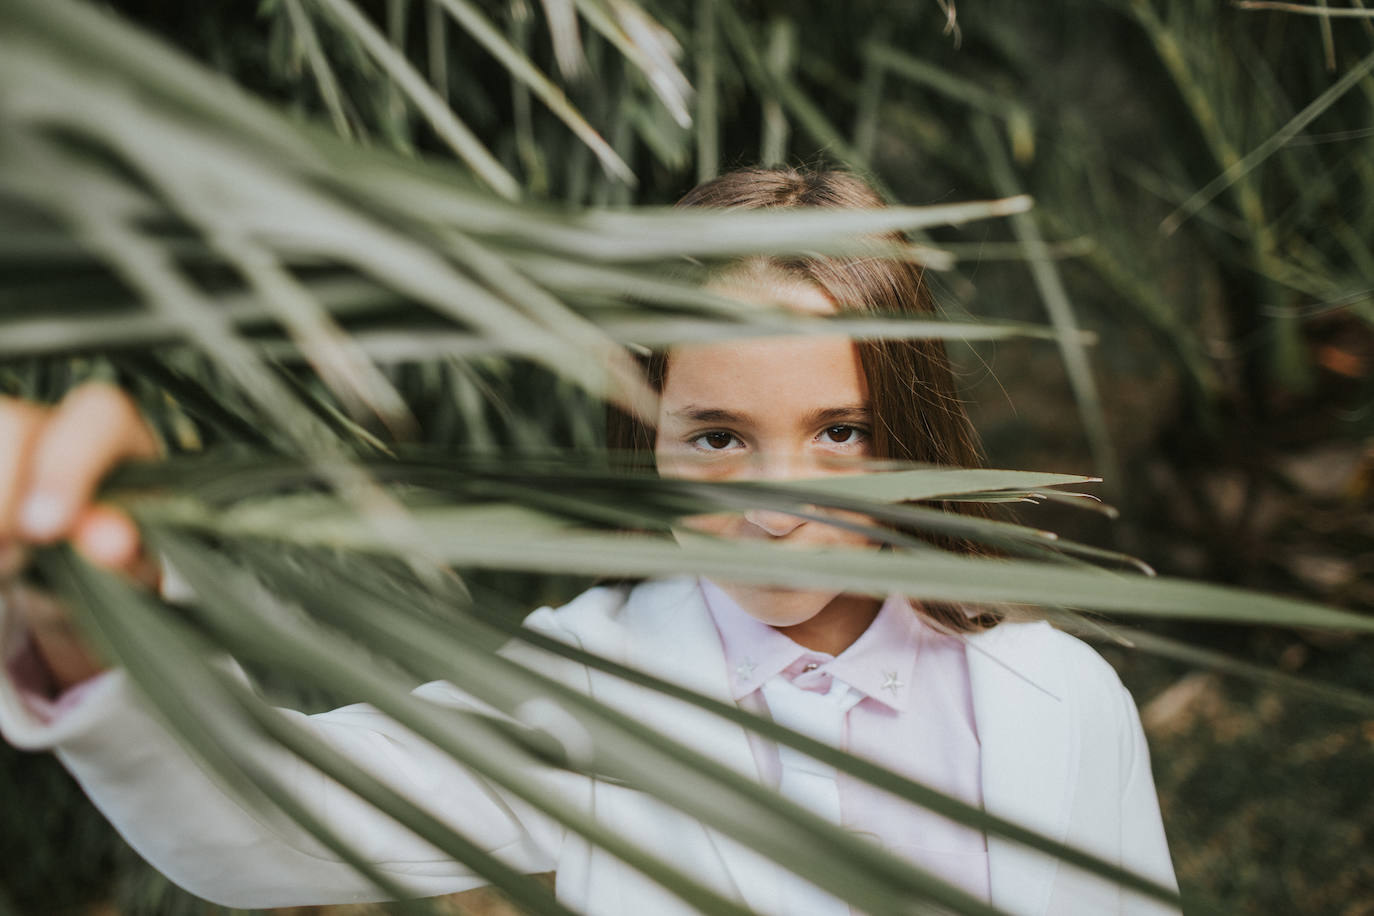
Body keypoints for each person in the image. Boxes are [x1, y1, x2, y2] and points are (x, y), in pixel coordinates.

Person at [0, 167, 1178, 915]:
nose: (777, 507)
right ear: (644, 434)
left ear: (913, 430)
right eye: (716, 437)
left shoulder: (1062, 698)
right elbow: (274, 823)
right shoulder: (585, 687)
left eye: (842, 431)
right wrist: (105, 617)